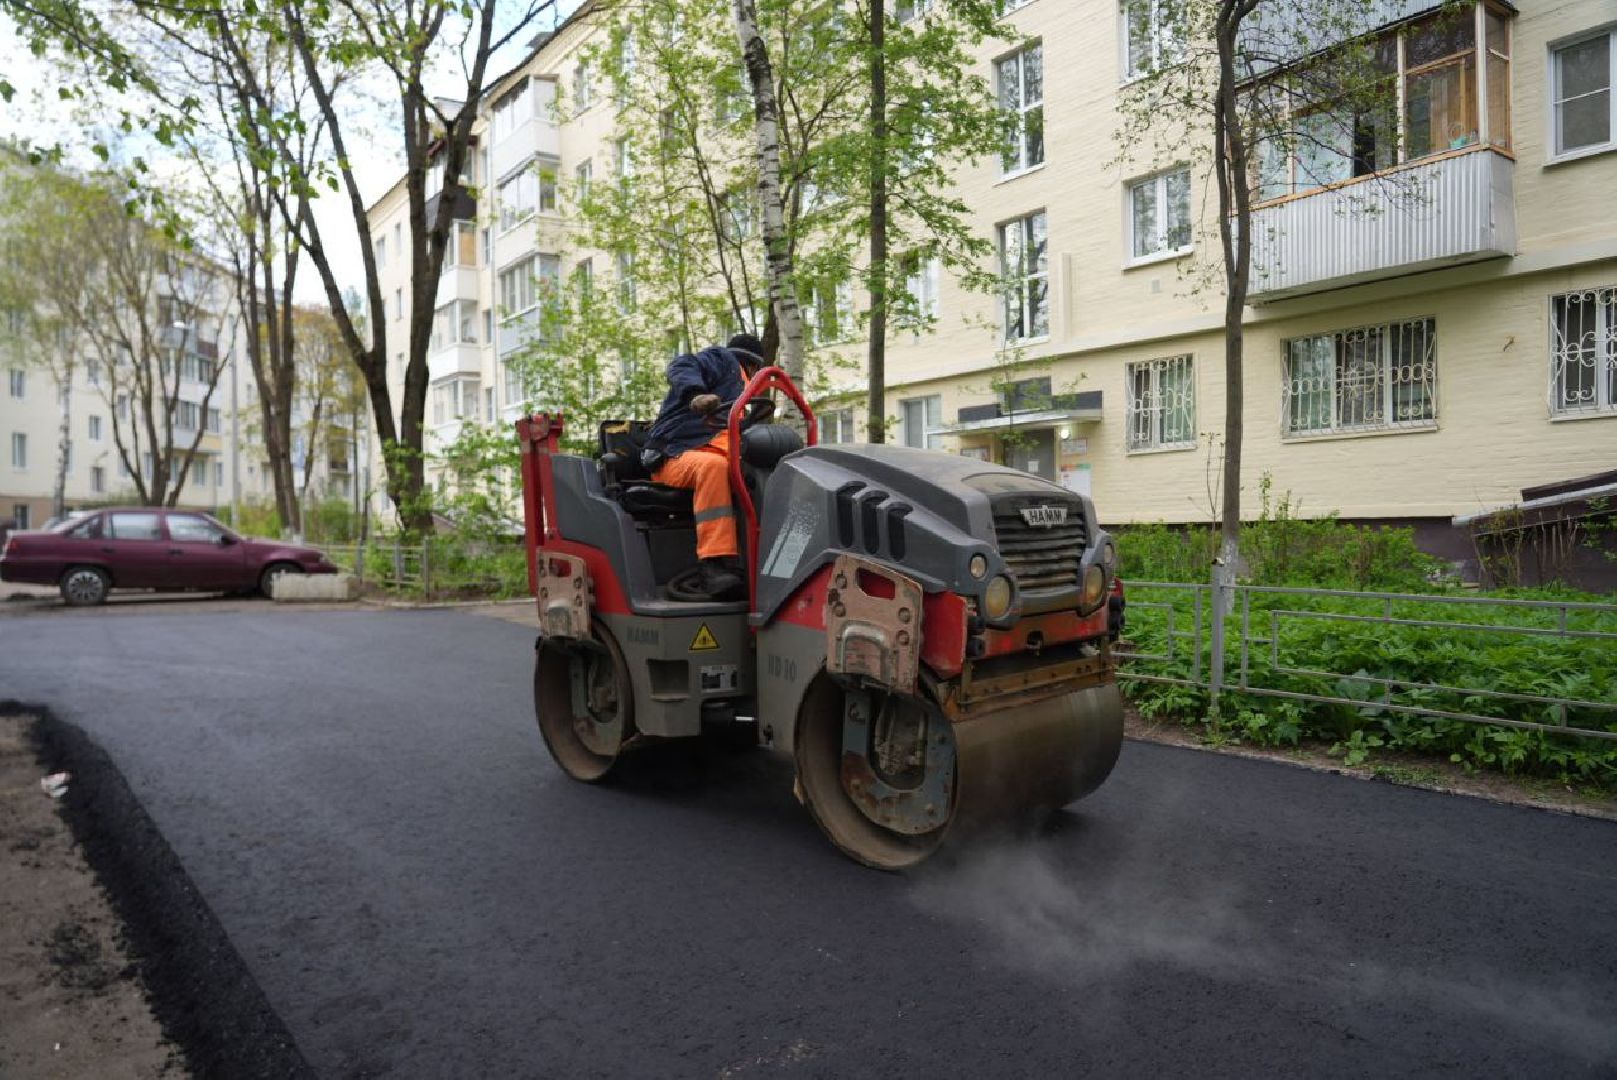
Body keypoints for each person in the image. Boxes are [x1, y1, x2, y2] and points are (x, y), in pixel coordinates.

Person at [640, 333, 765, 600]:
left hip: (716, 456)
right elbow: (681, 365)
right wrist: (695, 394)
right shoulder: (724, 361)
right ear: (753, 366)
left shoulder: (745, 398)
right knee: (713, 468)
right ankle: (714, 564)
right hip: (676, 455)